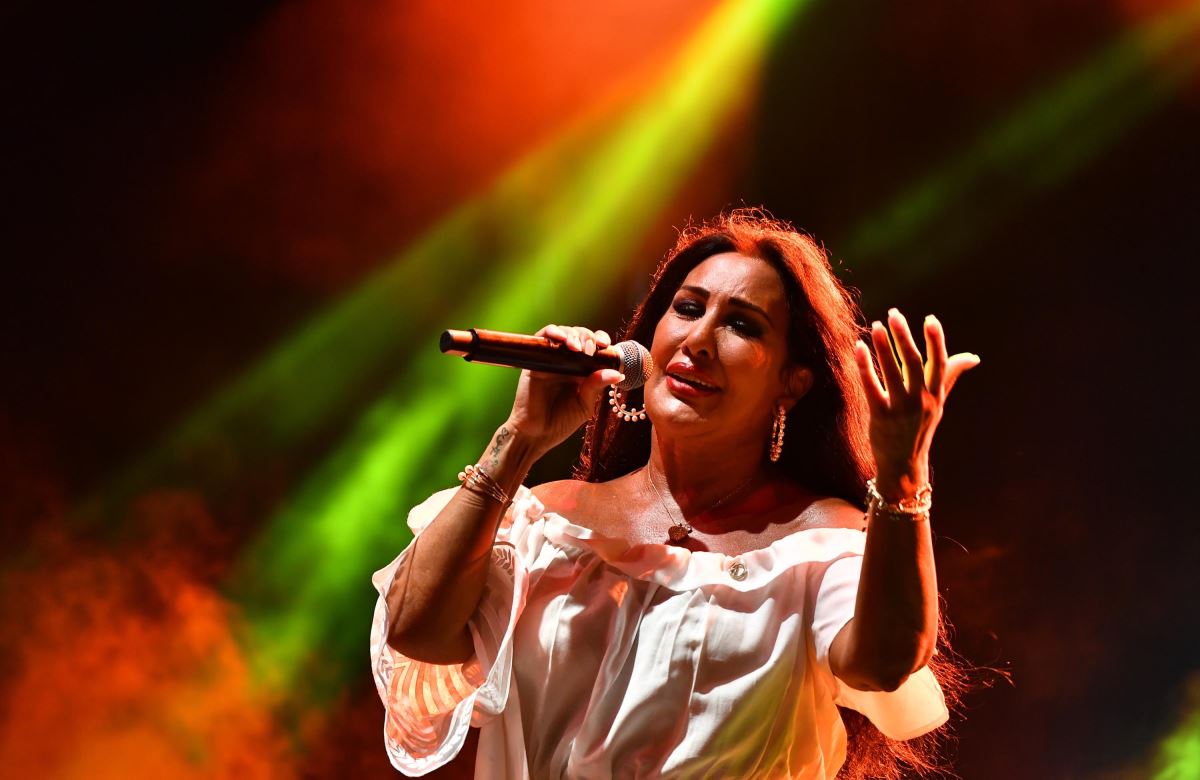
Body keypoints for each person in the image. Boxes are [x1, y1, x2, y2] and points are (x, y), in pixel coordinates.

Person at [370, 210, 979, 779]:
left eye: (742, 325)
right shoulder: (548, 522)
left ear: (790, 384)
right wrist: (520, 439)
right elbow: (415, 629)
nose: (700, 340)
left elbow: (881, 662)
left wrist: (902, 476)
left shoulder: (819, 542)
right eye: (687, 309)